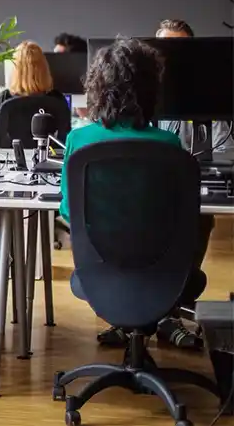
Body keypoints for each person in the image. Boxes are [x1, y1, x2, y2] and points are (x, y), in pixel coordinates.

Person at [61, 38, 208, 351]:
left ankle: (128, 329)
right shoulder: (168, 145)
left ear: (97, 87)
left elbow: (69, 213)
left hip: (99, 275)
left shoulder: (79, 140)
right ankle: (155, 325)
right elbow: (178, 218)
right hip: (162, 275)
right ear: (151, 88)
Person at [155, 18, 233, 155]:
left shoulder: (207, 99)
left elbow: (225, 151)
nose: (171, 57)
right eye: (165, 48)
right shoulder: (142, 97)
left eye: (179, 49)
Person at [0, 41, 62, 143]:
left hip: (13, 158)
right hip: (48, 157)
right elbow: (64, 138)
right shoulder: (56, 98)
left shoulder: (4, 98)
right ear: (44, 67)